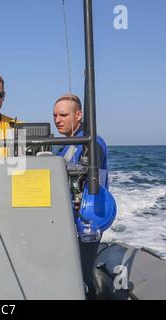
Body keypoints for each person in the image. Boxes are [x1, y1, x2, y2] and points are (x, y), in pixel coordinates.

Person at [53, 93, 108, 299]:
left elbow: (94, 181)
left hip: (86, 223)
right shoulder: (66, 147)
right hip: (65, 221)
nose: (58, 120)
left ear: (79, 115)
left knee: (81, 279)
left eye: (63, 115)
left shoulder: (92, 144)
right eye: (55, 115)